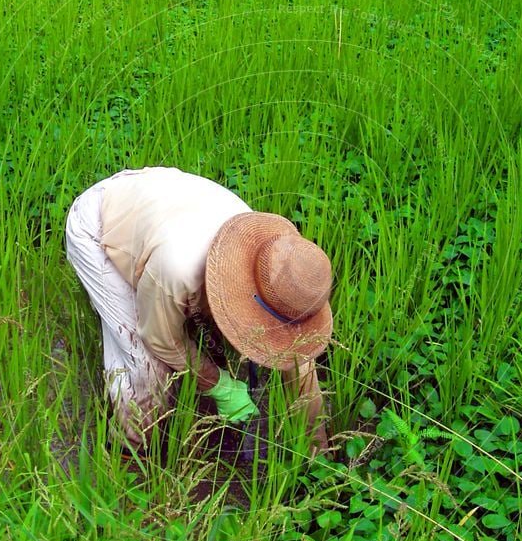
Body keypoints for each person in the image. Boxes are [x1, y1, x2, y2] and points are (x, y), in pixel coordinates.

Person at [65, 166, 333, 455]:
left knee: (203, 336)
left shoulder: (282, 272)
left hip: (165, 209)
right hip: (101, 225)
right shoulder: (179, 270)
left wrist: (318, 449)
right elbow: (160, 339)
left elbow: (297, 360)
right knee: (149, 371)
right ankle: (129, 458)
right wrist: (217, 384)